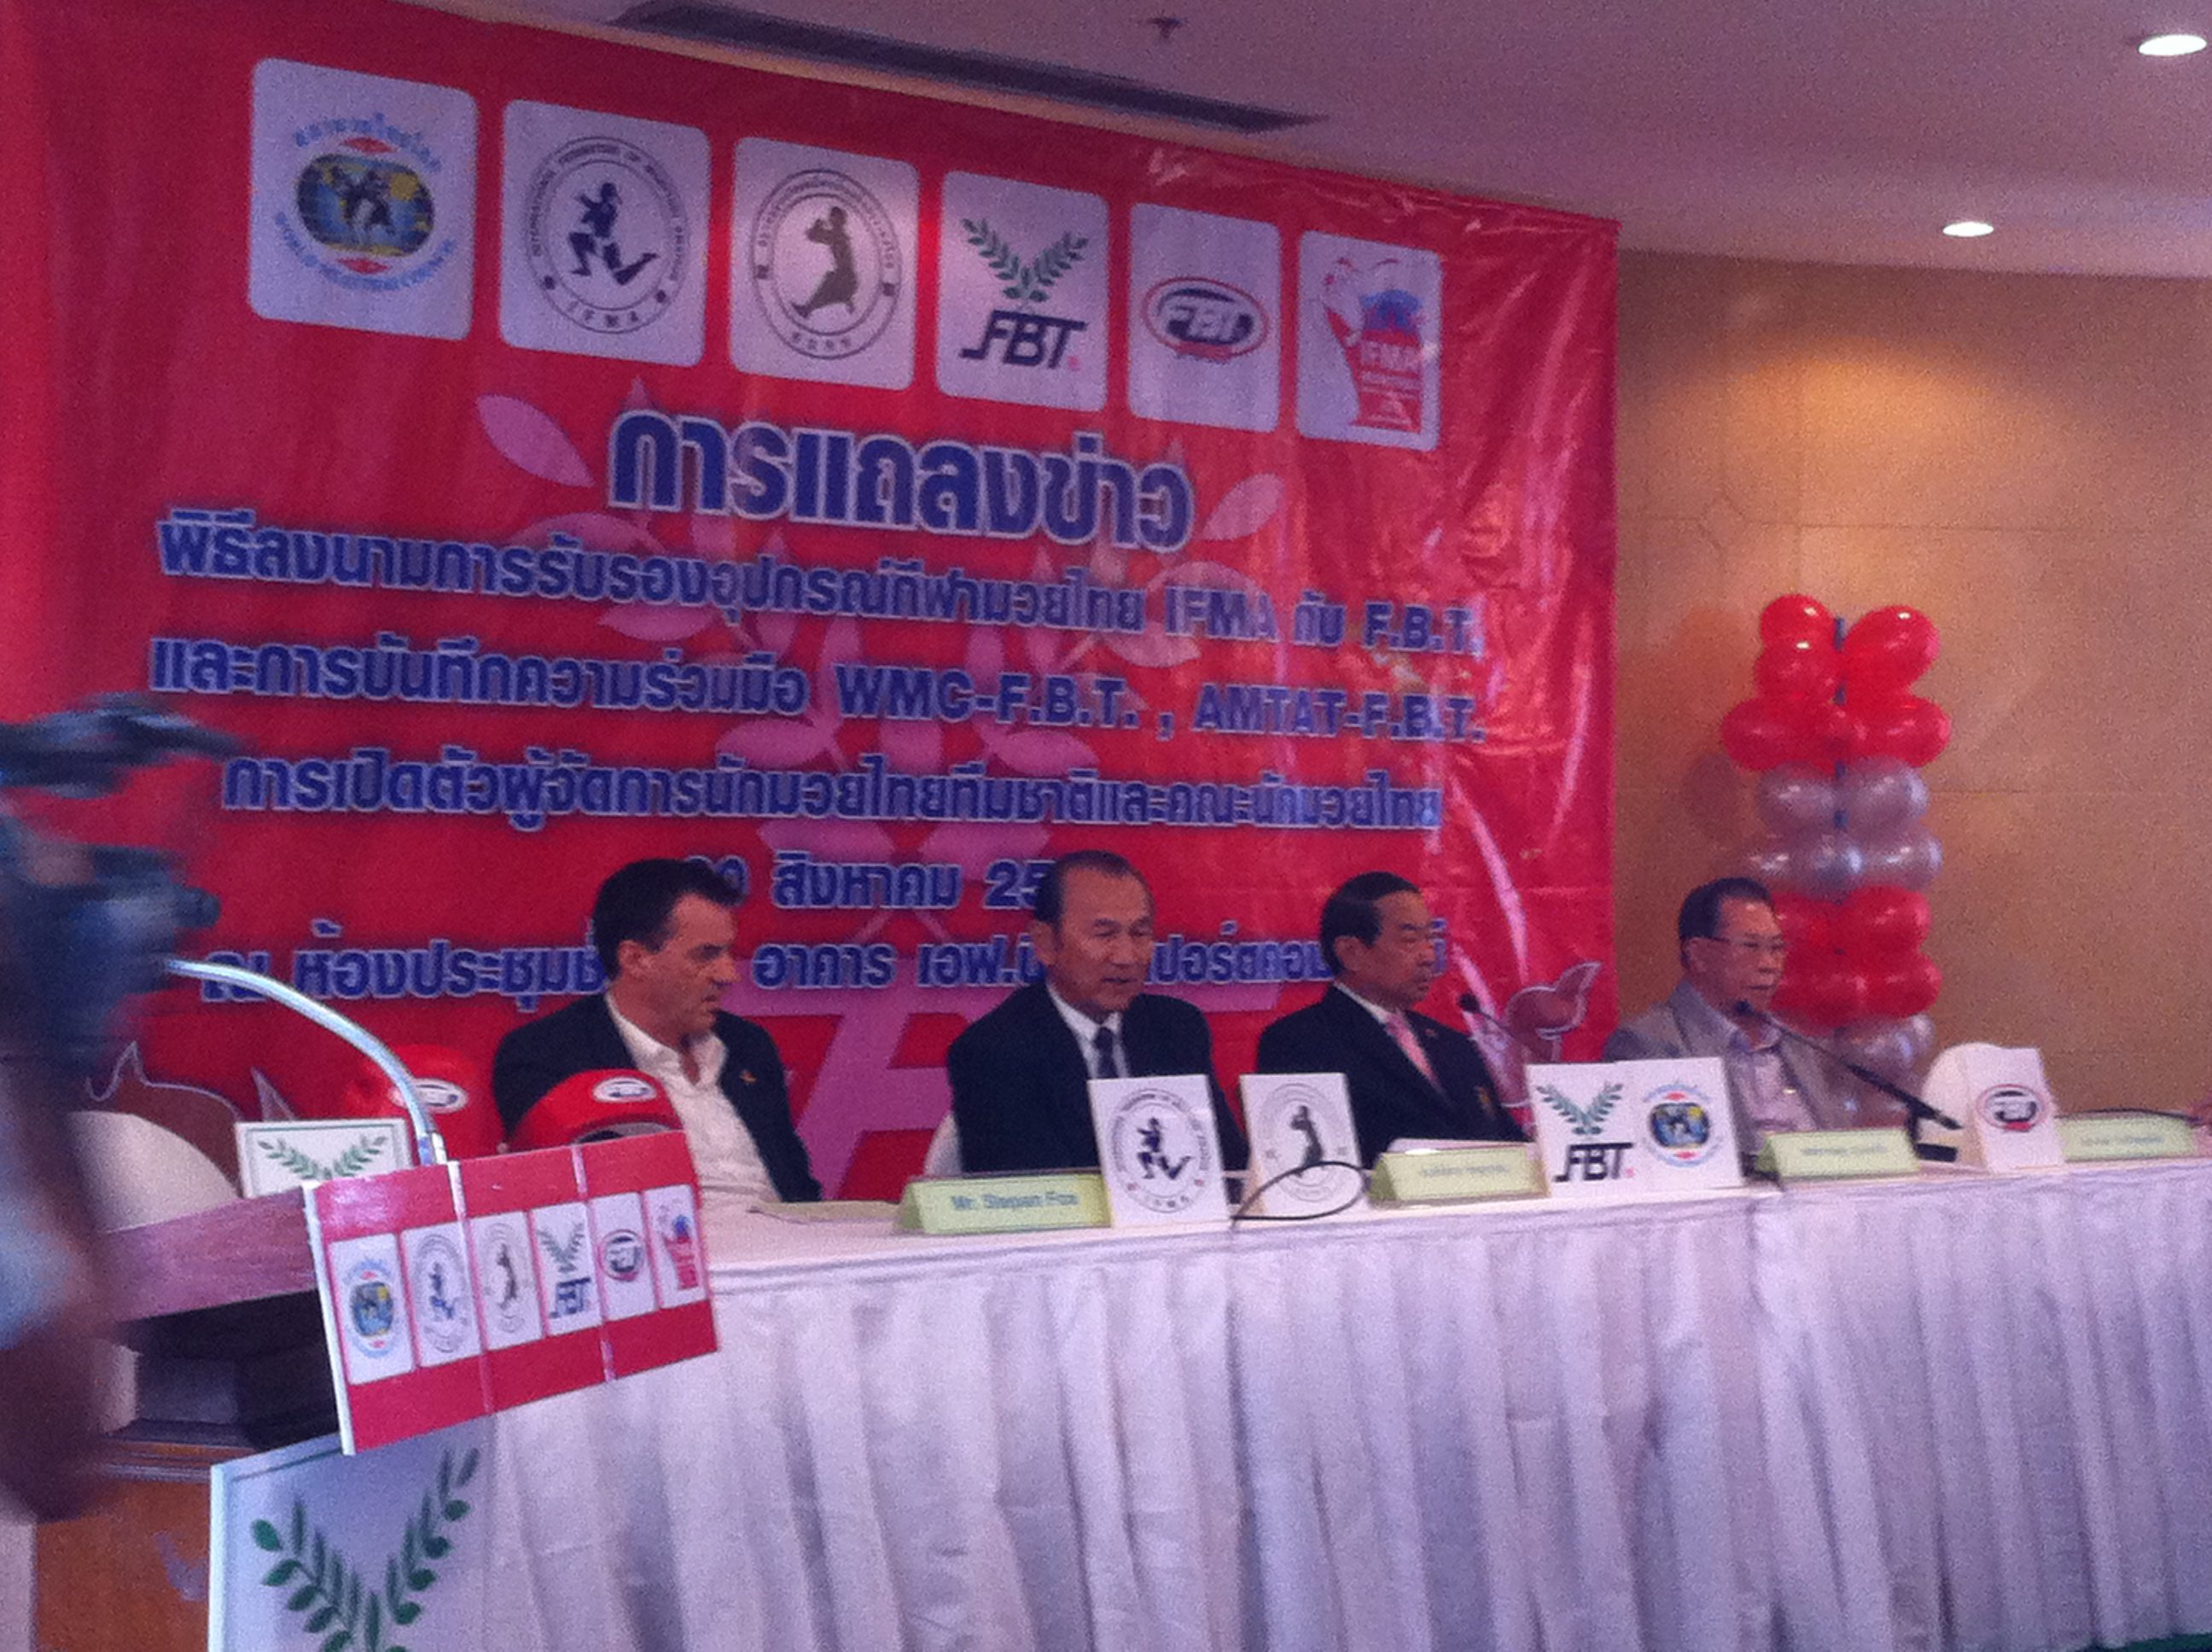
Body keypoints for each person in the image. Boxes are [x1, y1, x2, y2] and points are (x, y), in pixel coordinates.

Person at [493, 859, 819, 1212]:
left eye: (728, 953)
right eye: (706, 955)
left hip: (787, 1238)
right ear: (635, 959)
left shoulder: (747, 1044)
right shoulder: (548, 1055)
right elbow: (572, 1207)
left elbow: (798, 1186)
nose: (729, 975)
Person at [946, 851, 1247, 1174]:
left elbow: (1229, 1165)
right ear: (1045, 943)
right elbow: (1023, 1187)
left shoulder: (1178, 1028)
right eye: (1105, 935)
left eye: (1140, 933)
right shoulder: (993, 1051)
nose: (1126, 956)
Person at [1255, 870, 1522, 1166]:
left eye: (1430, 938)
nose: (1429, 956)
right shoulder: (1300, 1042)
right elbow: (1307, 1163)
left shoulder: (1453, 1045)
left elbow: (1510, 1143)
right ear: (1351, 953)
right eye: (1410, 940)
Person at [1604, 875, 1848, 1153]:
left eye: (1776, 948)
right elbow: (1675, 1157)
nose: (1769, 964)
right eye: (1751, 946)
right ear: (1698, 954)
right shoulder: (1650, 1044)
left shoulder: (1799, 1045)